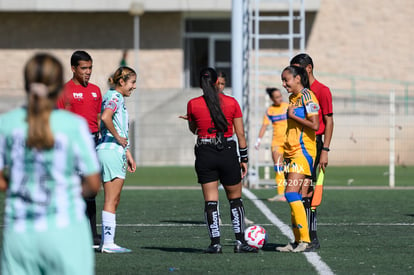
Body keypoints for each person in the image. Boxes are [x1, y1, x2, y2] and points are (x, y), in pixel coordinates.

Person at [0, 53, 101, 274]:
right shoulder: (74, 126)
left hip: (20, 233)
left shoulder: (5, 124)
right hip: (66, 231)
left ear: (26, 84)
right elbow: (93, 184)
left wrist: (18, 187)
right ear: (58, 84)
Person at [181, 67, 257, 254]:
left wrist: (191, 120)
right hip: (227, 152)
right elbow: (240, 134)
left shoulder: (193, 104)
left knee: (211, 202)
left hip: (205, 152)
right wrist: (244, 158)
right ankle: (241, 242)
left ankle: (215, 244)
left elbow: (195, 130)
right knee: (235, 200)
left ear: (201, 83)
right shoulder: (231, 103)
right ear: (217, 82)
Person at [56, 50, 102, 247]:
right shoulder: (63, 91)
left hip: (93, 142)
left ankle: (92, 234)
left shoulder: (96, 90)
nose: (88, 72)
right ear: (73, 68)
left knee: (91, 190)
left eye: (90, 68)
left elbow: (98, 117)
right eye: (84, 68)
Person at [290, 53, 334, 250]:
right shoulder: (297, 93)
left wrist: (325, 148)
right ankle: (302, 237)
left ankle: (311, 237)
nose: (293, 75)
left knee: (306, 192)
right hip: (297, 147)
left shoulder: (320, 91)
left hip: (313, 146)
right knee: (299, 191)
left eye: (296, 69)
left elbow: (328, 121)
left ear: (308, 69)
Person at [276, 65, 319, 253]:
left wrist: (293, 115)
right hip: (290, 152)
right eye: (283, 81)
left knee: (291, 193)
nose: (284, 84)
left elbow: (315, 124)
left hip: (303, 151)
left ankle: (306, 240)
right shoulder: (293, 98)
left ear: (298, 79)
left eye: (286, 80)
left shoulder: (309, 97)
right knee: (293, 196)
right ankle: (296, 240)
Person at [96, 66, 137, 253]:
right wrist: (119, 140)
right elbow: (106, 117)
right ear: (122, 82)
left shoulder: (111, 96)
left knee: (113, 198)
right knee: (111, 199)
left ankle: (107, 241)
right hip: (111, 151)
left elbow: (116, 124)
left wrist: (127, 153)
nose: (134, 87)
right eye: (132, 82)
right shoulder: (116, 97)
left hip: (109, 150)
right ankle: (109, 243)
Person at [254, 88, 288, 202]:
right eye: (277, 97)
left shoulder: (287, 107)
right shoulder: (270, 111)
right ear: (272, 99)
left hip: (290, 143)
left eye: (280, 96)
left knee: (292, 169)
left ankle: (292, 192)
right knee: (278, 168)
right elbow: (264, 126)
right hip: (277, 143)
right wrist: (258, 140)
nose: (280, 98)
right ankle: (280, 194)